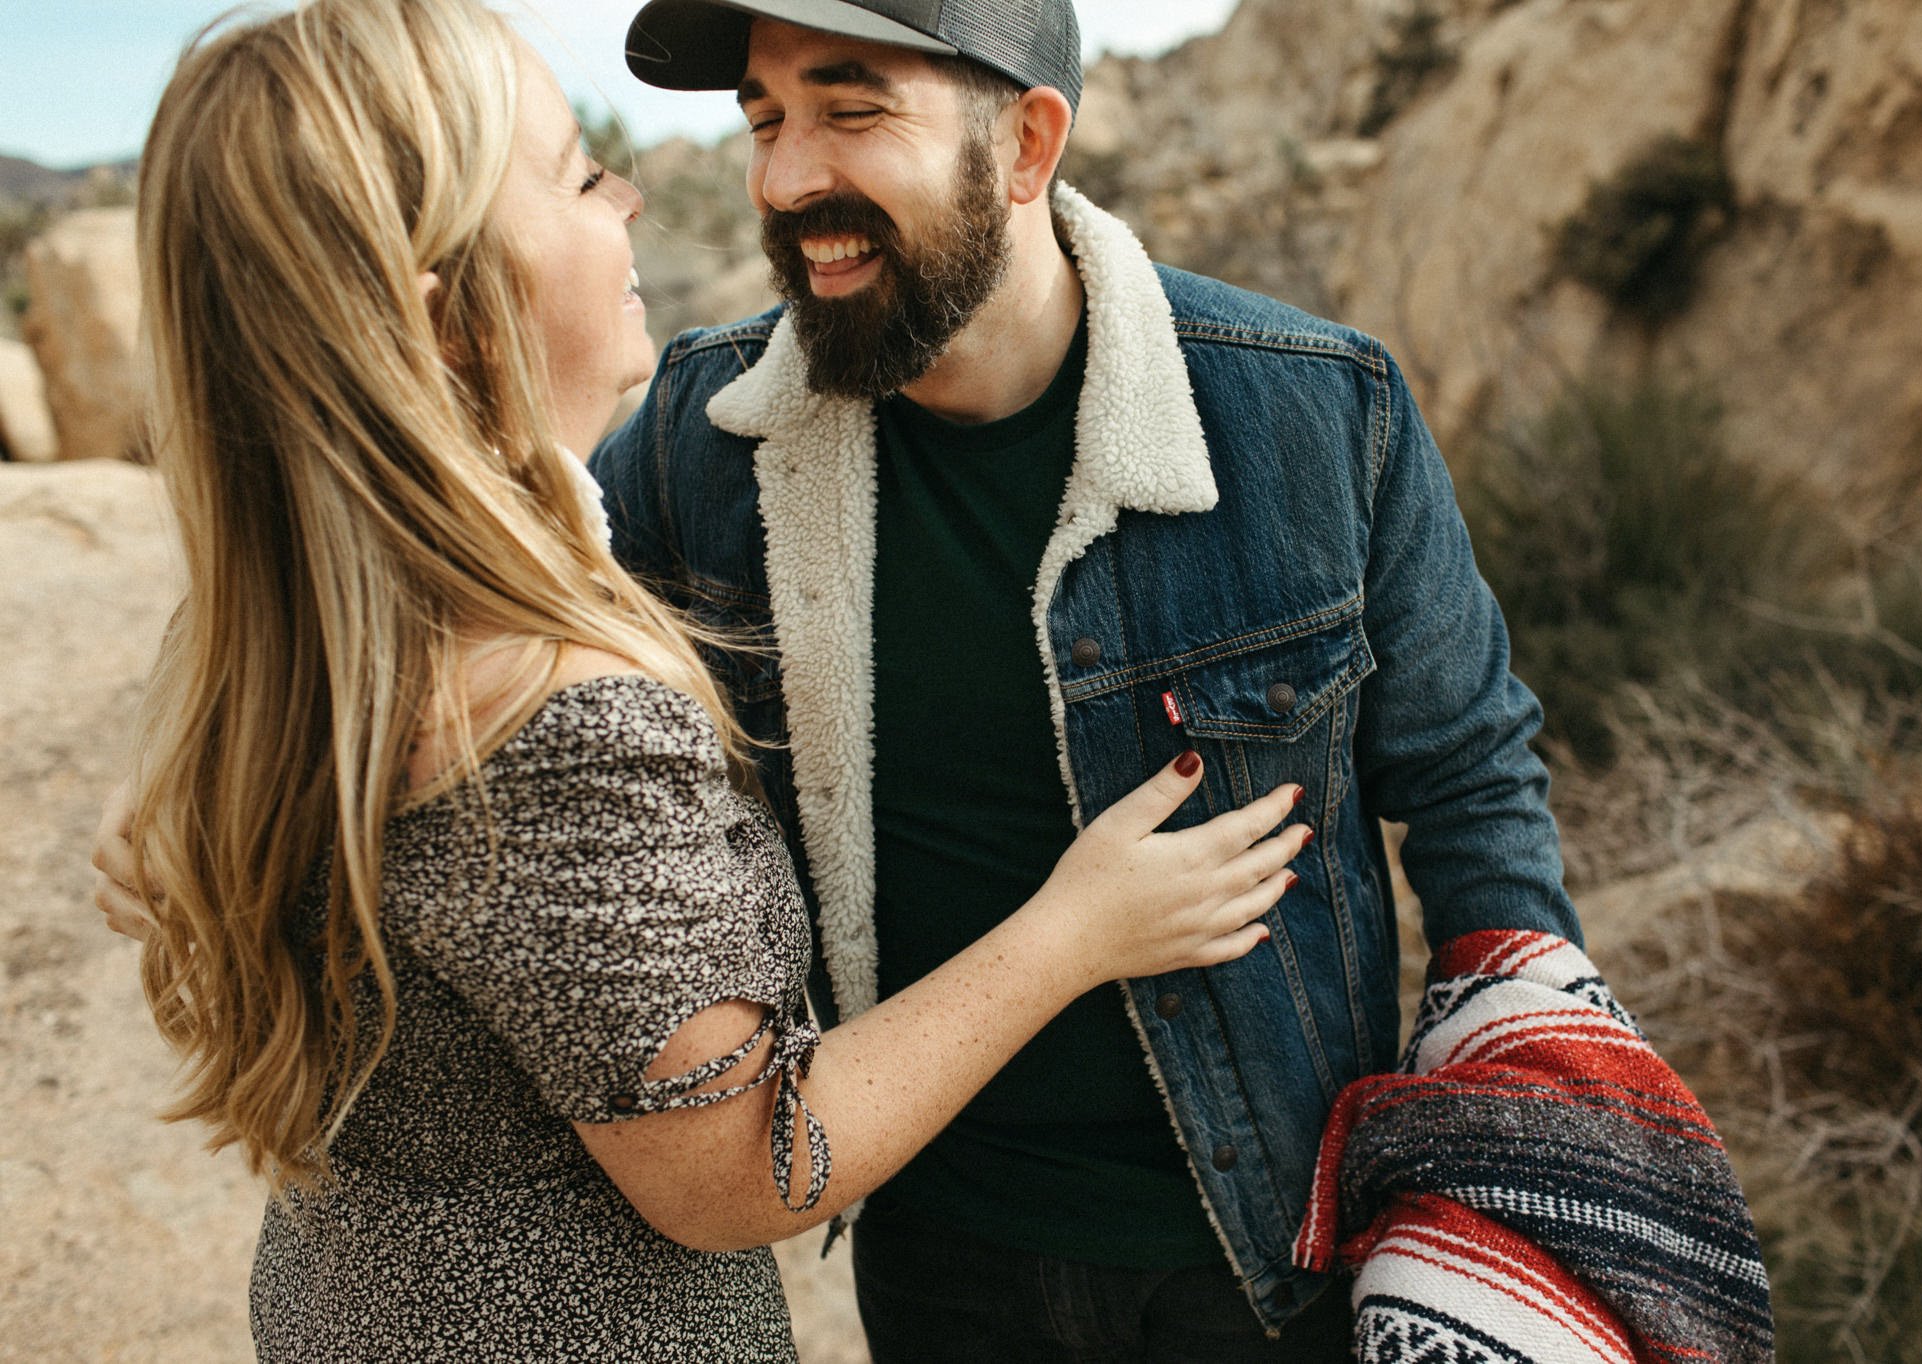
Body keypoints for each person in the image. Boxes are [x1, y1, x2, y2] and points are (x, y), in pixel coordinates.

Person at [89, 0, 1310, 1357]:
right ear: (448, 320)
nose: (635, 192)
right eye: (574, 172)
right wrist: (1077, 928)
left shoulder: (303, 640)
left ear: (1029, 144)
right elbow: (747, 1169)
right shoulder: (561, 723)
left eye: (849, 110)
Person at [588, 0, 1588, 1357]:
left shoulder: (1318, 416)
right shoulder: (693, 453)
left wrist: (1524, 1150)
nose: (782, 176)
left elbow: (1473, 787)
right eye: (765, 120)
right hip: (942, 1257)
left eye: (851, 106)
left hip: (1276, 1261)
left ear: (1026, 144)